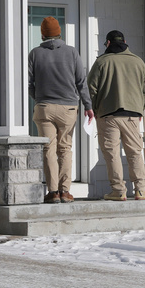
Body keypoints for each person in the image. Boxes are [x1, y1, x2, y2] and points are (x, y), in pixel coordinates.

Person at [28, 16, 94, 204]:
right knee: (65, 148)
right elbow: (81, 82)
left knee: (49, 149)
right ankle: (65, 191)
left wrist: (38, 97)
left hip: (45, 107)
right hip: (68, 108)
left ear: (42, 34)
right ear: (59, 33)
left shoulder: (35, 54)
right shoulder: (72, 52)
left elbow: (29, 82)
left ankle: (53, 191)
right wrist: (88, 106)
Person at [87, 30, 145, 201]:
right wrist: (140, 109)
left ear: (108, 43)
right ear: (125, 41)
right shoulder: (138, 62)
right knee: (135, 152)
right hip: (132, 115)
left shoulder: (102, 62)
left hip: (108, 115)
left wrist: (95, 108)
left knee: (112, 153)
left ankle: (118, 190)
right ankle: (140, 190)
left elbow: (91, 88)